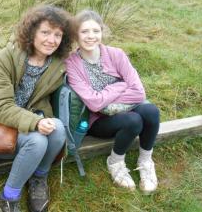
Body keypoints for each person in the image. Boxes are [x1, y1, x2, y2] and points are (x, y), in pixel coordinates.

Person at [0, 5, 72, 212]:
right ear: (31, 31)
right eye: (45, 32)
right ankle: (9, 197)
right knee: (36, 141)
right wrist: (35, 122)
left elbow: (88, 63)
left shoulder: (58, 64)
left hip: (33, 117)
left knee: (59, 128)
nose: (51, 40)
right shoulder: (5, 58)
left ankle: (38, 178)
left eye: (57, 35)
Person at [65, 10, 160, 194]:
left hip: (120, 107)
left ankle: (145, 161)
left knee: (151, 112)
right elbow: (93, 104)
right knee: (133, 120)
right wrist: (118, 87)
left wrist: (107, 101)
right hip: (98, 120)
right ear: (76, 35)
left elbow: (139, 92)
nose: (91, 36)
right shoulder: (72, 63)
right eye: (84, 32)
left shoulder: (116, 54)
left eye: (95, 31)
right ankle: (116, 161)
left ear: (102, 32)